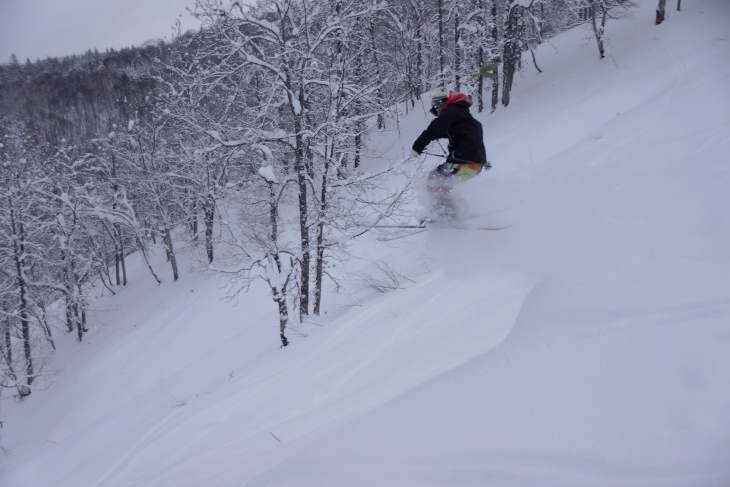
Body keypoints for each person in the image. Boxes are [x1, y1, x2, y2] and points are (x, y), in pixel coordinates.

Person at [411, 90, 488, 221]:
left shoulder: (451, 112)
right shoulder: (463, 117)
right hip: (474, 165)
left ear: (440, 104)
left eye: (436, 110)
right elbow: (450, 132)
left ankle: (447, 216)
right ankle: (462, 211)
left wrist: (418, 146)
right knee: (446, 184)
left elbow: (434, 129)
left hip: (463, 162)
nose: (438, 114)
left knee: (435, 179)